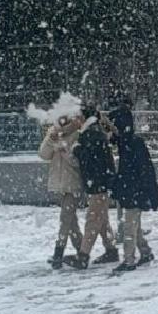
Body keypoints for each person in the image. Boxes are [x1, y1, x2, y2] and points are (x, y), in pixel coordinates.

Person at [66, 106, 119, 270]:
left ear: (84, 118)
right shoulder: (95, 131)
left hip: (97, 183)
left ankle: (83, 256)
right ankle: (111, 249)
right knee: (101, 220)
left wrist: (77, 150)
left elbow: (89, 160)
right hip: (100, 182)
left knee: (93, 219)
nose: (76, 120)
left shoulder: (91, 134)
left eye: (78, 116)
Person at [109, 105, 158, 273]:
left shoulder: (131, 143)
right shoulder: (129, 142)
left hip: (133, 190)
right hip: (133, 190)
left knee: (130, 226)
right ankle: (145, 252)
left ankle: (129, 260)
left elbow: (141, 170)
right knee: (133, 224)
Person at [37, 112, 84, 268]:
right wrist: (51, 141)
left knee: (65, 219)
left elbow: (77, 162)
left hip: (73, 184)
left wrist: (63, 149)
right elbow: (43, 155)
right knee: (71, 222)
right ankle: (82, 249)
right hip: (59, 185)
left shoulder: (78, 136)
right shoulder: (54, 133)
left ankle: (59, 252)